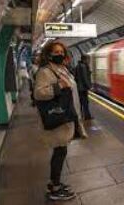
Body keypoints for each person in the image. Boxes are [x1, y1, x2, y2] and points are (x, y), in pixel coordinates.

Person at [34, 41, 86, 201]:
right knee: (59, 152)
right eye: (56, 52)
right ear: (48, 54)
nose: (59, 54)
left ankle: (54, 183)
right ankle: (55, 189)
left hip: (66, 117)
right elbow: (38, 93)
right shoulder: (45, 71)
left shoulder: (61, 68)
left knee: (60, 152)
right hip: (58, 119)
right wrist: (58, 87)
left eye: (62, 51)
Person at [74, 55, 93, 120]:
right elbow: (85, 78)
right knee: (85, 103)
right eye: (88, 60)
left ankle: (81, 115)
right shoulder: (83, 67)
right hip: (83, 88)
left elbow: (75, 77)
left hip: (78, 88)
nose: (89, 61)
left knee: (80, 103)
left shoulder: (77, 66)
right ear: (85, 60)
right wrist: (89, 86)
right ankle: (87, 116)